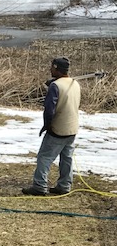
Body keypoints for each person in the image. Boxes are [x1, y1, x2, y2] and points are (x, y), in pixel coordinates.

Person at [22, 57, 81, 196]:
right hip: (72, 128)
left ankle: (40, 186)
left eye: (52, 67)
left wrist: (47, 126)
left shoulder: (56, 86)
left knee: (44, 157)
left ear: (56, 68)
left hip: (58, 129)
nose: (50, 69)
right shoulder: (75, 83)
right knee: (67, 158)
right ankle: (64, 185)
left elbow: (49, 110)